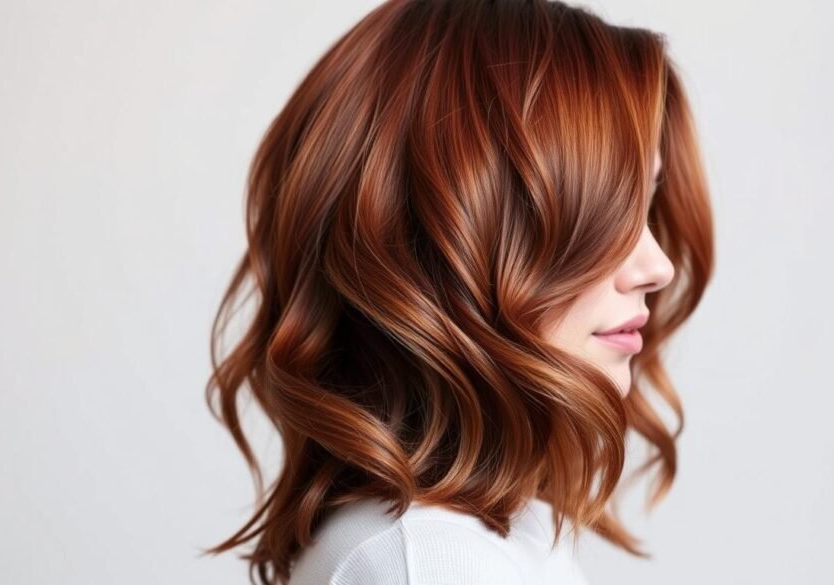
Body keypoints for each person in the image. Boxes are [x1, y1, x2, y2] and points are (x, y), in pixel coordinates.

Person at [203, 0, 714, 583]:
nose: (658, 267)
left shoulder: (461, 541)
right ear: (455, 231)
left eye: (644, 204)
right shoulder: (426, 560)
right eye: (608, 210)